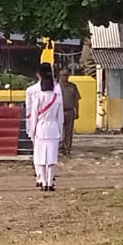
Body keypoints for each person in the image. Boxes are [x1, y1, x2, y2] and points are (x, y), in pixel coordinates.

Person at [25, 62, 65, 191]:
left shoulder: (33, 92)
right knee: (52, 157)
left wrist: (31, 131)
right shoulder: (57, 94)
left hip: (40, 129)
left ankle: (41, 180)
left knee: (39, 157)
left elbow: (32, 115)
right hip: (53, 128)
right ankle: (49, 182)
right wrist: (60, 132)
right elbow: (60, 118)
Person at [59, 65, 81, 156]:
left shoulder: (73, 86)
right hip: (59, 112)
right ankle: (60, 148)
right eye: (63, 75)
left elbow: (76, 100)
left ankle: (67, 148)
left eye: (67, 75)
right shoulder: (57, 87)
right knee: (59, 131)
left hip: (70, 111)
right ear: (60, 76)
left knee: (69, 131)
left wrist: (77, 112)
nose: (65, 77)